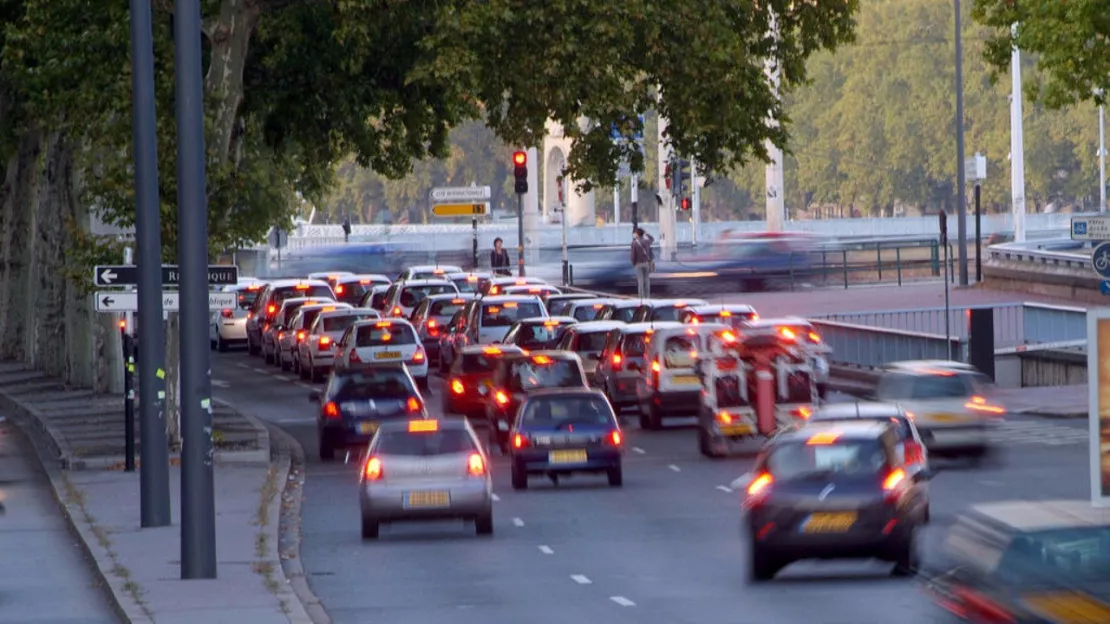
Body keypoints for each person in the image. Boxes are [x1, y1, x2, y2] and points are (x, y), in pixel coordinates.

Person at [631, 227, 654, 298]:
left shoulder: (634, 243)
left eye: (636, 233)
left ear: (637, 234)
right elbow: (652, 239)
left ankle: (641, 297)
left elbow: (633, 255)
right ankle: (647, 297)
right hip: (646, 263)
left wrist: (633, 262)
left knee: (640, 281)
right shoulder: (646, 241)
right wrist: (646, 233)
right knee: (647, 280)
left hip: (638, 263)